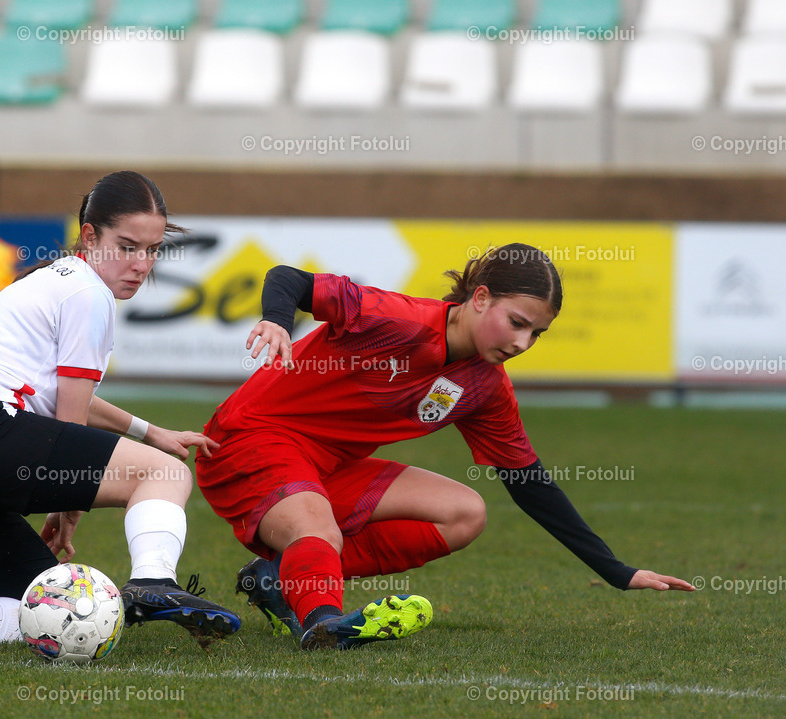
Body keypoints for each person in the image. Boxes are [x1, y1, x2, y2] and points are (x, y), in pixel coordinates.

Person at [195, 245, 694, 651]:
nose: (523, 343)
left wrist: (617, 570)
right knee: (316, 526)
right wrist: (278, 319)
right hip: (248, 441)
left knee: (464, 512)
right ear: (480, 298)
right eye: (517, 322)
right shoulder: (395, 318)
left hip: (324, 469)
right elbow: (289, 278)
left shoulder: (486, 387)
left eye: (536, 334)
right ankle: (322, 625)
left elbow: (527, 483)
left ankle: (282, 579)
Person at [0, 171, 240, 650]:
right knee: (165, 477)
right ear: (90, 236)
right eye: (127, 247)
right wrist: (69, 508)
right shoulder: (89, 293)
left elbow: (59, 395)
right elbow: (70, 420)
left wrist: (150, 431)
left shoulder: (52, 280)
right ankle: (154, 582)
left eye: (152, 249)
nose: (141, 264)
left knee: (61, 602)